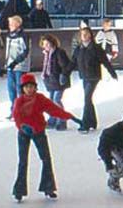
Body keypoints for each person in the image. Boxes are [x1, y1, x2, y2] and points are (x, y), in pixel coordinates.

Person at [12, 73, 83, 202]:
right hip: (24, 133)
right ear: (22, 88)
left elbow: (54, 110)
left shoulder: (40, 99)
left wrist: (71, 117)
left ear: (35, 87)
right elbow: (17, 117)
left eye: (31, 86)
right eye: (26, 87)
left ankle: (48, 187)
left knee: (46, 159)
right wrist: (23, 127)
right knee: (23, 161)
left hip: (38, 131)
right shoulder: (19, 101)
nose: (29, 89)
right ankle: (19, 190)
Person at [68, 27, 118, 133]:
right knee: (88, 99)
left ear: (90, 35)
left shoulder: (96, 48)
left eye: (86, 34)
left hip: (94, 77)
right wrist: (65, 73)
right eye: (82, 34)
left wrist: (112, 73)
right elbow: (73, 62)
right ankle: (92, 122)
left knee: (87, 98)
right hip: (84, 76)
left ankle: (85, 124)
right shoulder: (79, 49)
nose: (84, 36)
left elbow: (105, 61)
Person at [39, 34, 72, 130]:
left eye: (48, 44)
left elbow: (65, 66)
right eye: (44, 44)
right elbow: (46, 68)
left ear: (52, 43)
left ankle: (62, 121)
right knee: (51, 102)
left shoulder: (59, 53)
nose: (46, 46)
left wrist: (63, 76)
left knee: (57, 100)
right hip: (51, 81)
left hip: (59, 81)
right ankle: (52, 120)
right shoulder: (47, 54)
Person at [4, 15, 31, 119]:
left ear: (18, 24)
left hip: (20, 66)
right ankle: (14, 110)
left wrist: (15, 62)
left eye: (12, 23)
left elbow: (25, 51)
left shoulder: (23, 36)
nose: (9, 26)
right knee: (11, 89)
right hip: (10, 66)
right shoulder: (9, 36)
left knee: (20, 90)